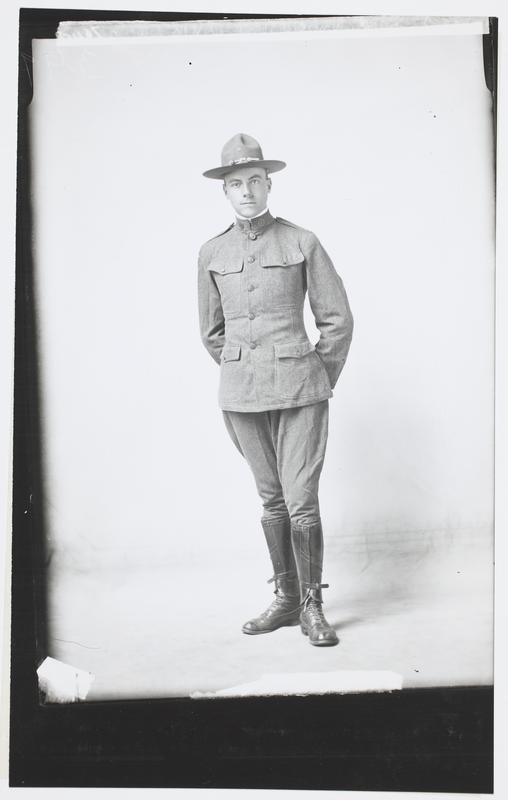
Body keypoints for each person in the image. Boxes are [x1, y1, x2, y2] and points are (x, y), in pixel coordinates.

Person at [198, 133, 353, 647]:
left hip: (300, 391)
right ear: (225, 191)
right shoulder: (211, 252)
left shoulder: (301, 241)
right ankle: (286, 599)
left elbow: (337, 320)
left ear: (269, 185)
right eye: (236, 184)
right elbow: (212, 332)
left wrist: (316, 376)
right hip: (241, 397)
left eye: (255, 181)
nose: (246, 192)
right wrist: (242, 366)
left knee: (301, 501)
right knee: (272, 502)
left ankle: (312, 606)